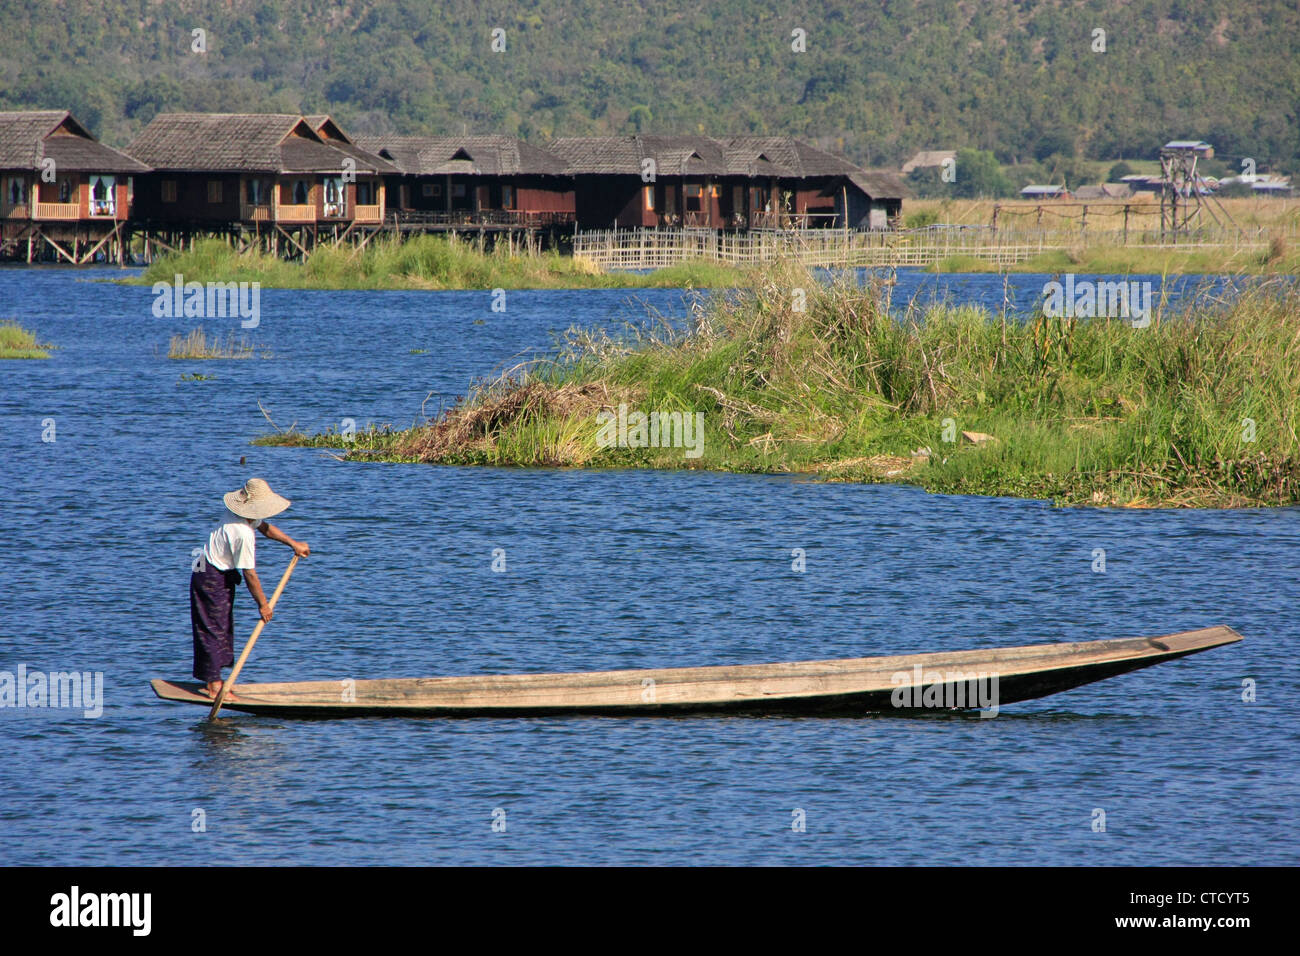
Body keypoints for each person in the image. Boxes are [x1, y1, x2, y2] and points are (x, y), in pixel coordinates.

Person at [191, 478, 309, 700]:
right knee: (213, 626)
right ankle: (215, 687)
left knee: (221, 624)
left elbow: (265, 527)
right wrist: (263, 605)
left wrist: (293, 544)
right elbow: (250, 574)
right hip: (209, 575)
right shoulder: (242, 532)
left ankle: (214, 680)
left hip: (215, 571)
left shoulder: (242, 516)